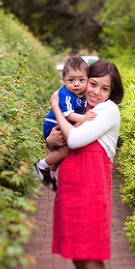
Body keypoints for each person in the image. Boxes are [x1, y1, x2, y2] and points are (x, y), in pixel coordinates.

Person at [45, 59, 128, 269]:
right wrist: (51, 138)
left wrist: (57, 107)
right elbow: (58, 143)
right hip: (71, 188)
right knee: (78, 259)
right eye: (93, 84)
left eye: (105, 88)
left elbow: (76, 138)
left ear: (111, 92)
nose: (96, 92)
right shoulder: (81, 109)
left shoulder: (108, 110)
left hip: (92, 192)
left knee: (93, 261)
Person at [34, 56, 96, 190]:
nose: (76, 84)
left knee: (62, 153)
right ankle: (41, 165)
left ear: (87, 79)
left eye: (81, 80)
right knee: (64, 151)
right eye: (71, 80)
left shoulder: (82, 92)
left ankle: (50, 174)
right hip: (53, 124)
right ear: (63, 80)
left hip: (64, 123)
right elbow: (68, 114)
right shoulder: (65, 93)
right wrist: (85, 118)